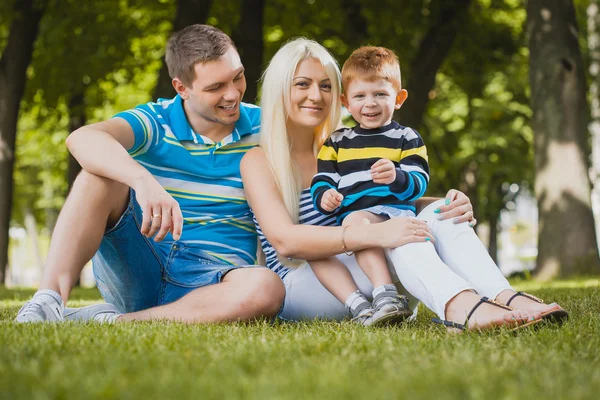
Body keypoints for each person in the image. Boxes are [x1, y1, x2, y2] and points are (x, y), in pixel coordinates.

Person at [242, 37, 568, 331]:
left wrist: (443, 205)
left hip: (371, 267)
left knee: (438, 212)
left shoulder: (345, 145)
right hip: (310, 284)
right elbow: (286, 243)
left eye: (326, 86)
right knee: (397, 231)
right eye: (302, 84)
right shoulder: (259, 160)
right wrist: (375, 233)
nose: (316, 95)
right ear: (280, 89)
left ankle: (505, 296)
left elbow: (383, 203)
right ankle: (462, 308)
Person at [15, 24, 285, 324]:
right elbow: (82, 138)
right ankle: (47, 301)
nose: (233, 94)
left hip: (219, 282)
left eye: (238, 77)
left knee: (267, 286)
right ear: (182, 88)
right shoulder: (156, 121)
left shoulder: (267, 128)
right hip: (143, 261)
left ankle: (113, 321)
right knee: (98, 175)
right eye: (215, 87)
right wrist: (142, 180)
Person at [307, 46, 430, 326]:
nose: (370, 104)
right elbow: (323, 178)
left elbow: (418, 182)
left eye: (380, 95)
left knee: (356, 222)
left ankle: (388, 295)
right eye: (360, 96)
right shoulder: (337, 142)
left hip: (395, 215)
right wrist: (325, 196)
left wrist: (397, 176)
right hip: (358, 222)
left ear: (398, 98)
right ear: (346, 102)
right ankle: (384, 295)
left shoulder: (406, 137)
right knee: (355, 222)